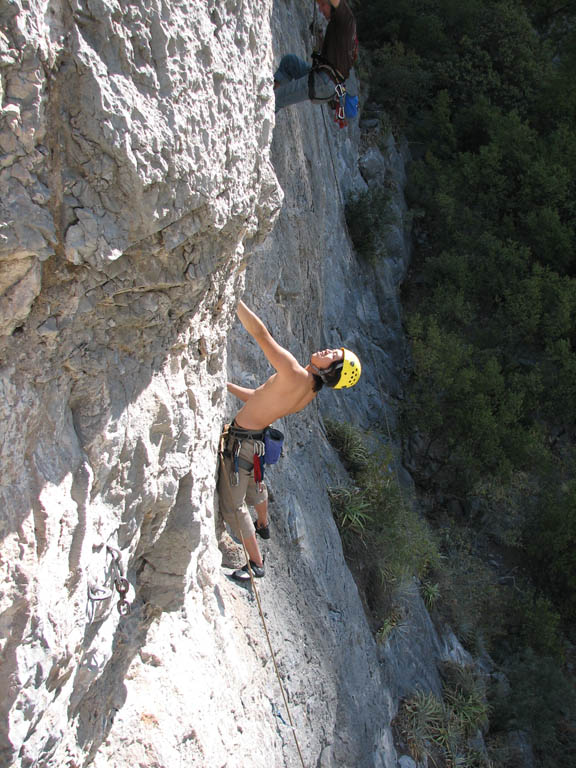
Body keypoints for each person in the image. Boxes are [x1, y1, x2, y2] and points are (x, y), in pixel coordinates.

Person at [218, 300, 361, 582]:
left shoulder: (295, 373)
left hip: (241, 444)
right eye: (334, 350)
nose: (327, 350)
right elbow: (261, 399)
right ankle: (263, 522)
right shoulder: (308, 391)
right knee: (252, 483)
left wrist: (233, 299)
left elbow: (261, 335)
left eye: (333, 356)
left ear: (331, 372)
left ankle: (256, 564)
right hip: (254, 442)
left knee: (232, 507)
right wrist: (226, 386)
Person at [274, 0, 357, 115]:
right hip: (323, 78)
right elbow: (330, 56)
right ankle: (273, 91)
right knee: (290, 62)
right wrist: (319, 35)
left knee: (275, 100)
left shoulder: (346, 19)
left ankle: (265, 112)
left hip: (325, 82)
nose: (320, 9)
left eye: (323, 5)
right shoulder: (338, 27)